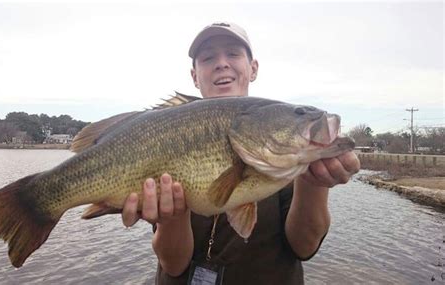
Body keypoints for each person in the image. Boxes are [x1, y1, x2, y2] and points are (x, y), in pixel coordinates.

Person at [121, 22, 360, 284]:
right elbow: (174, 265)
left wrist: (314, 182)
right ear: (194, 76)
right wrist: (174, 219)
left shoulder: (286, 163)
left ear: (253, 68)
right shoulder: (170, 135)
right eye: (208, 57)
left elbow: (305, 245)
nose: (221, 63)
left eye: (233, 53)